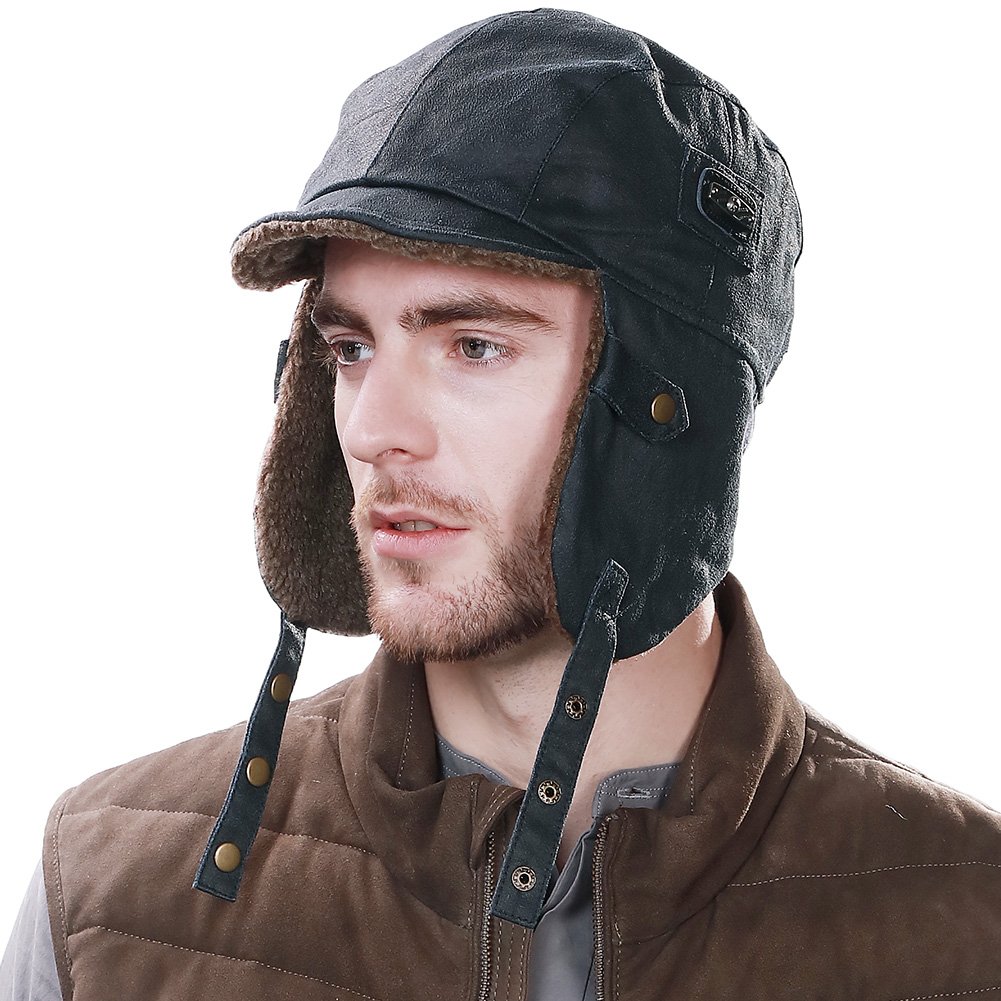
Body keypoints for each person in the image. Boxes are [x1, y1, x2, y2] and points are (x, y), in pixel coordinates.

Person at [3, 8, 999, 1000]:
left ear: (671, 409)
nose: (372, 429)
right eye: (350, 348)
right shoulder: (108, 901)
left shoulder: (967, 919)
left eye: (473, 346)